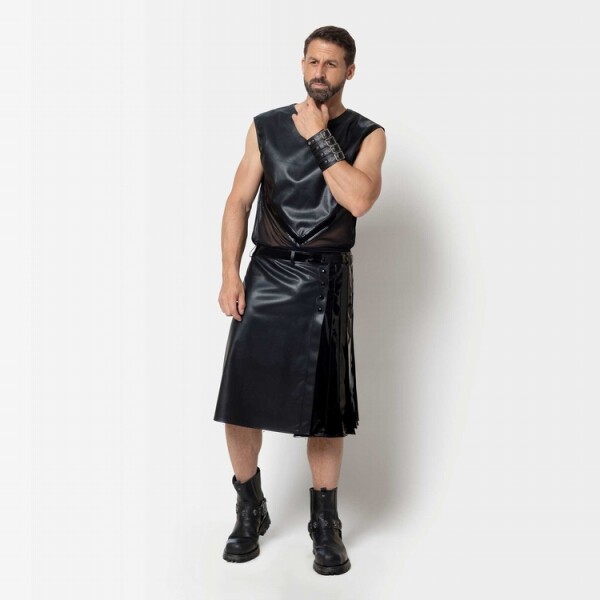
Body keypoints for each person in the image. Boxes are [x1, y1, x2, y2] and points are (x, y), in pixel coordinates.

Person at [213, 25, 386, 575]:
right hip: (266, 274)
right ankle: (249, 508)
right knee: (241, 400)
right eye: (312, 61)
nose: (319, 72)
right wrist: (230, 274)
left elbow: (358, 200)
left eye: (331, 64)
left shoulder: (368, 135)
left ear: (349, 71)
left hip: (325, 282)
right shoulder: (265, 126)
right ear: (302, 63)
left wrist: (319, 137)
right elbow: (238, 201)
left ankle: (325, 525)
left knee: (324, 415)